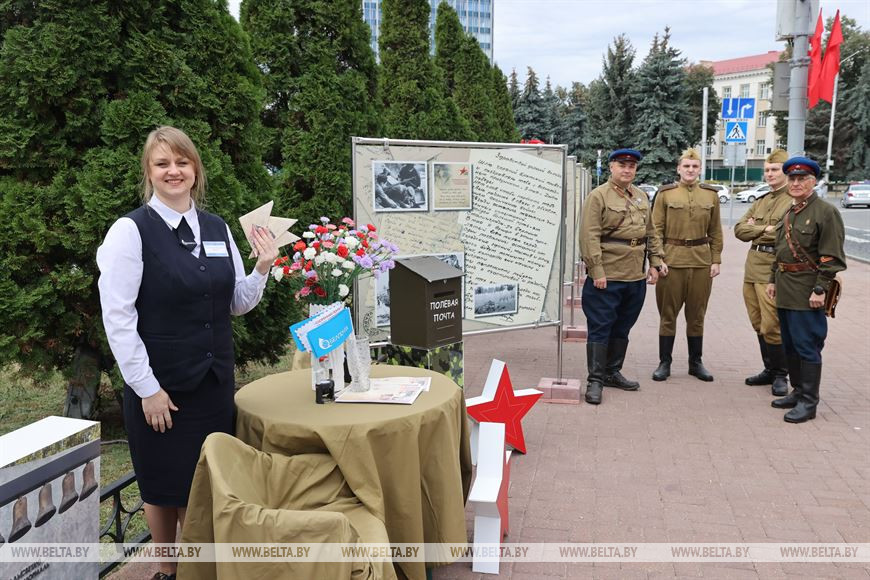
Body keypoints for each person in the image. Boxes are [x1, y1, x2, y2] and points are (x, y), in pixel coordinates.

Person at [97, 126, 277, 580]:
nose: (173, 171)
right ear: (149, 172)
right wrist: (147, 389)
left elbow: (236, 302)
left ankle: (202, 569)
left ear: (195, 169)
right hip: (163, 388)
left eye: (182, 162)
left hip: (213, 386)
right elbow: (118, 318)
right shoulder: (130, 232)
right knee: (164, 485)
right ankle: (167, 568)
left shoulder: (216, 228)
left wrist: (262, 266)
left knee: (205, 484)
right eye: (162, 163)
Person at [579, 149, 664, 405]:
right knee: (600, 326)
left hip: (634, 275)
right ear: (611, 167)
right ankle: (595, 380)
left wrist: (655, 263)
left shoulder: (640, 196)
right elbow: (589, 235)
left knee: (623, 326)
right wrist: (597, 270)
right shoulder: (598, 196)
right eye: (622, 165)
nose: (627, 170)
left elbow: (651, 232)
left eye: (631, 166)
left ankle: (612, 372)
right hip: (608, 274)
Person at [767, 156, 845, 423]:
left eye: (802, 179)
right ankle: (798, 391)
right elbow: (780, 251)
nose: (796, 183)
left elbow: (831, 257)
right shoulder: (790, 211)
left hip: (807, 291)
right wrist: (772, 280)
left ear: (813, 182)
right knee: (790, 344)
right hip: (786, 289)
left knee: (807, 345)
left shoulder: (825, 212)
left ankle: (809, 403)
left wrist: (820, 289)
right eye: (793, 179)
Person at [651, 149, 723, 382]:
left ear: (700, 169)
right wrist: (657, 260)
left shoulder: (710, 195)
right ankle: (664, 362)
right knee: (668, 315)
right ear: (679, 168)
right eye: (686, 166)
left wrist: (716, 259)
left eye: (694, 166)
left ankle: (695, 363)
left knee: (697, 315)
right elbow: (655, 230)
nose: (690, 170)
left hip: (701, 263)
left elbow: (715, 230)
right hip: (672, 262)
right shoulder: (665, 194)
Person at [734, 149, 794, 397]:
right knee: (757, 322)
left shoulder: (791, 200)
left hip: (772, 267)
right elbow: (739, 230)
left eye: (774, 170)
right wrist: (764, 228)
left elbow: (783, 233)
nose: (769, 174)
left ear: (785, 172)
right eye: (767, 170)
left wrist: (756, 228)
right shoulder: (761, 200)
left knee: (772, 324)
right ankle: (769, 369)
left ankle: (781, 374)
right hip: (752, 267)